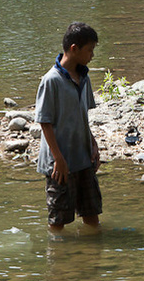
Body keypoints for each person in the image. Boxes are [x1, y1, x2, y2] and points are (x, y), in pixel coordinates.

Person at [35, 22, 102, 233]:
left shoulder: (84, 78)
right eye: (89, 50)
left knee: (92, 213)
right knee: (58, 219)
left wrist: (93, 144)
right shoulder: (51, 81)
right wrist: (59, 159)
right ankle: (59, 259)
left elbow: (83, 117)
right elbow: (45, 122)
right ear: (74, 49)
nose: (92, 55)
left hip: (83, 158)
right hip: (59, 164)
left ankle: (91, 256)